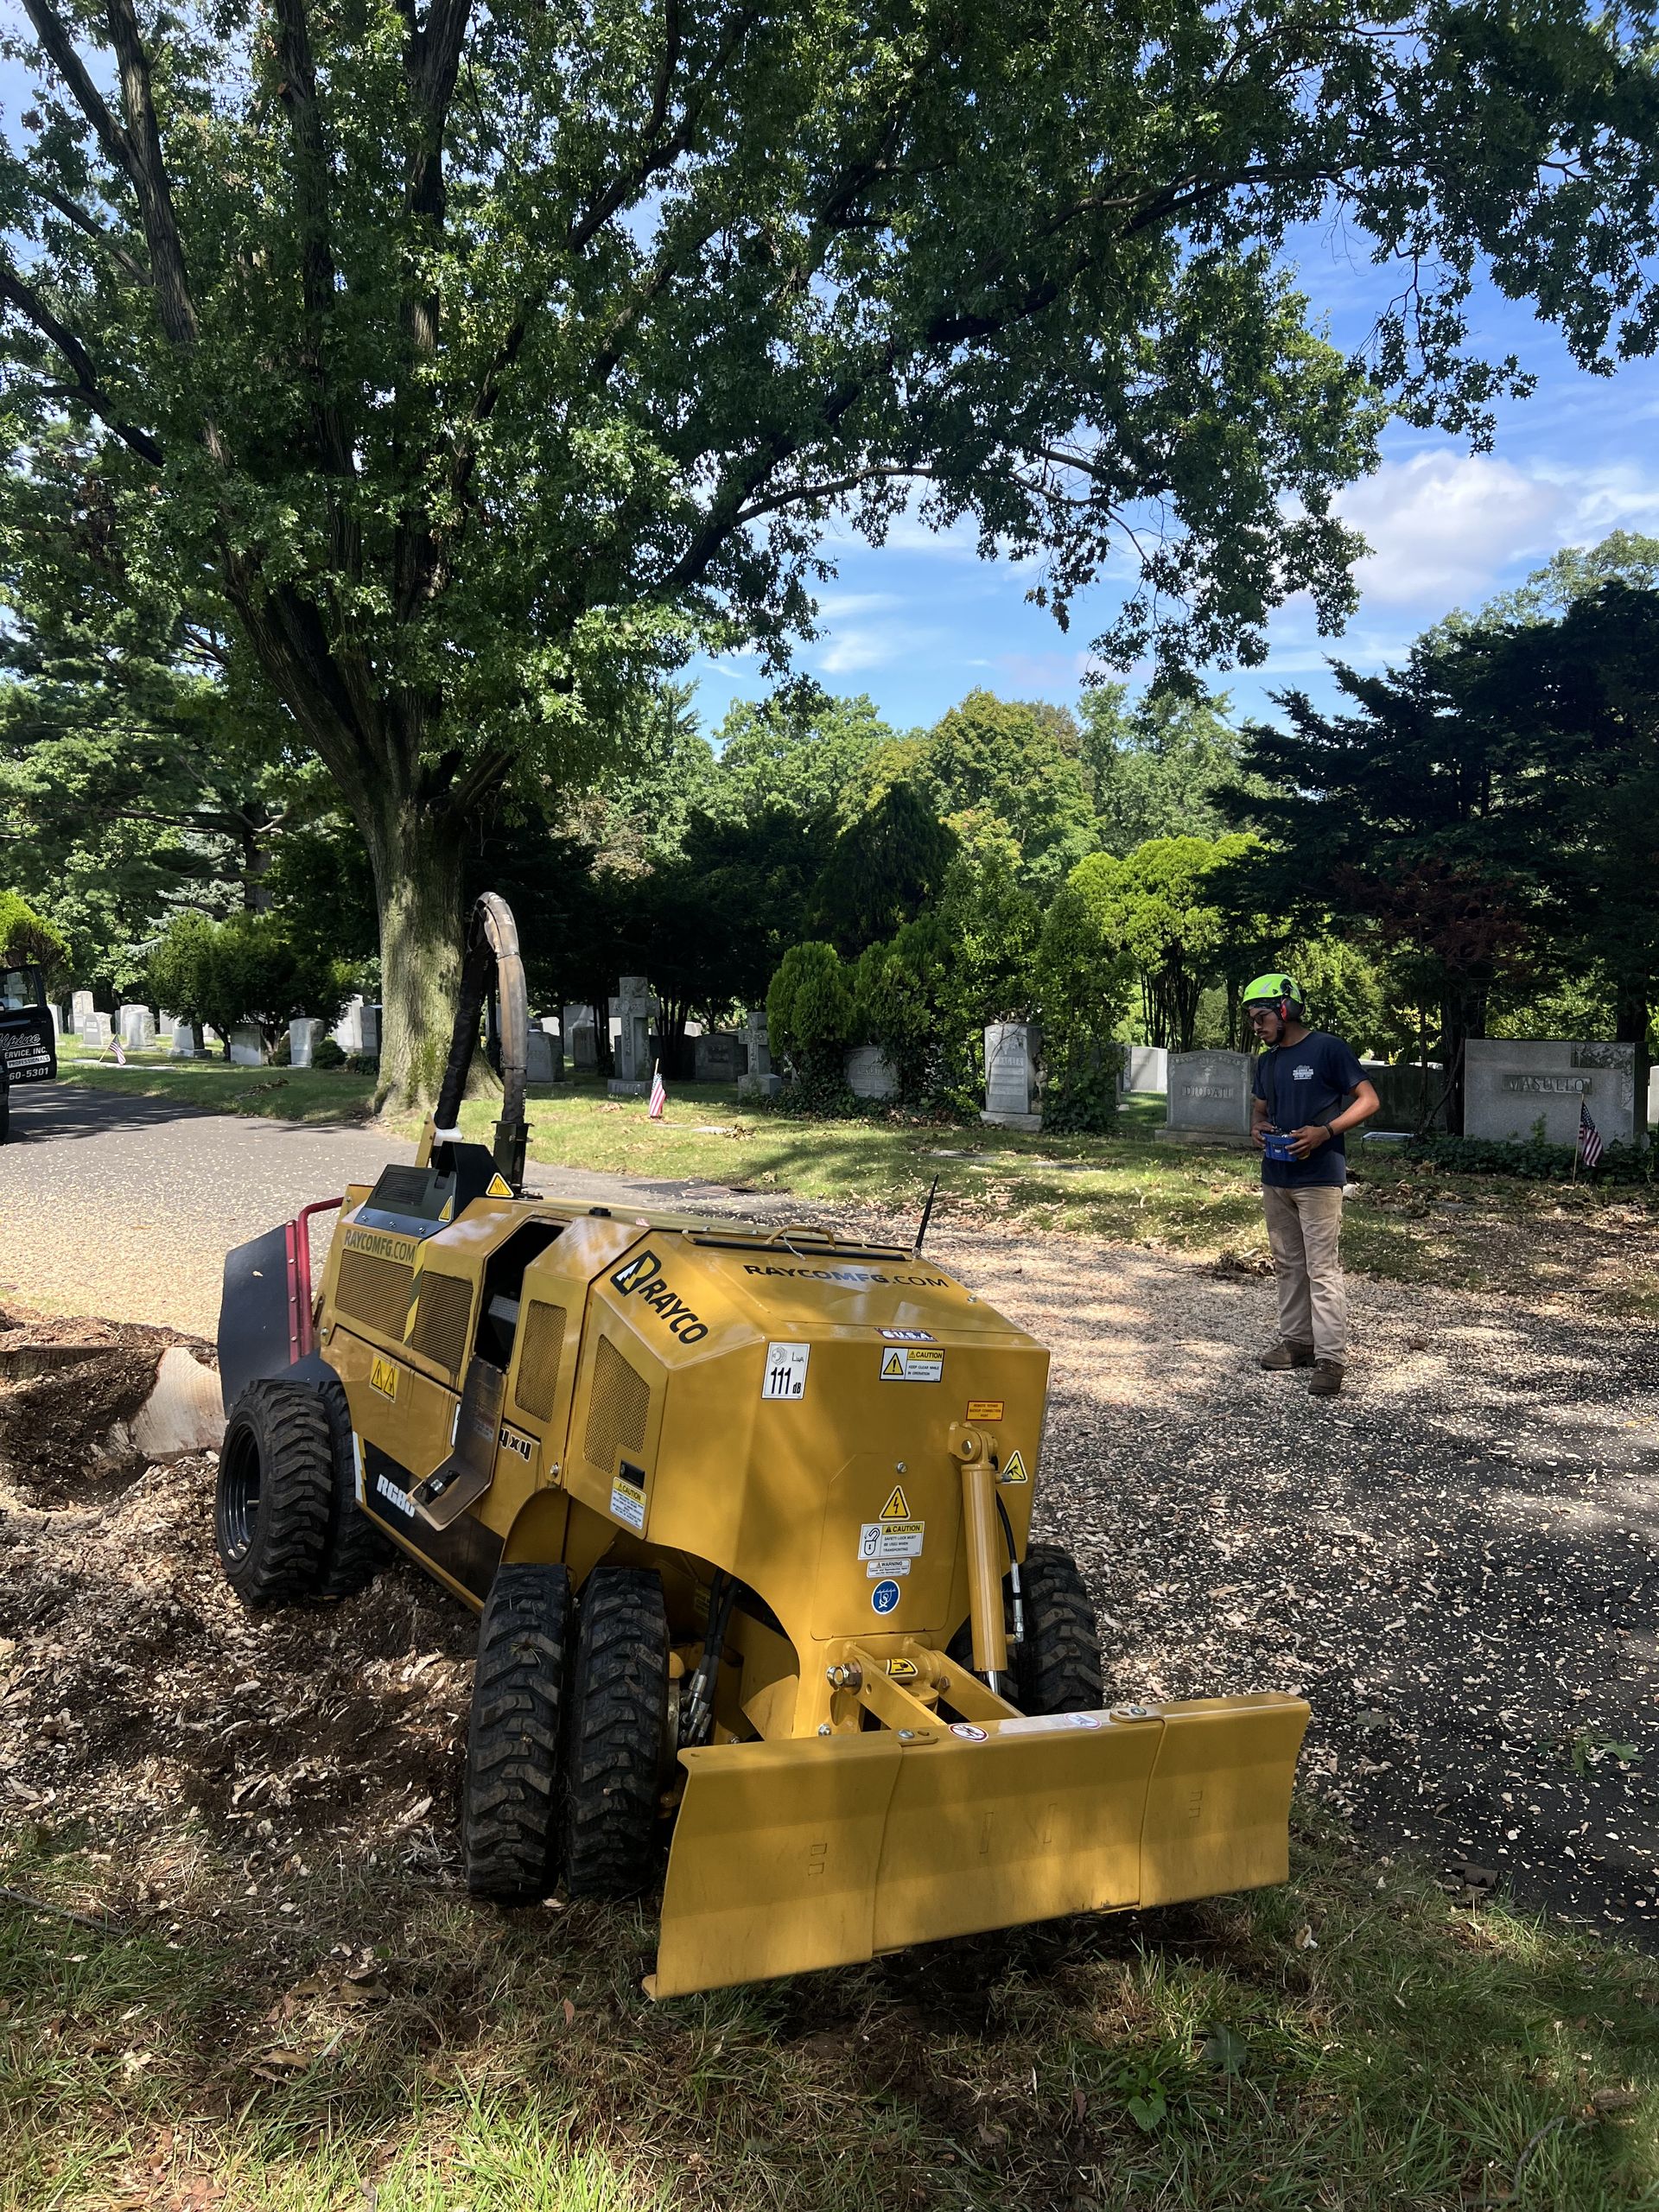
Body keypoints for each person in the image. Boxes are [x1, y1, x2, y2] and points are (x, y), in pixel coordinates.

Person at [1243, 973, 1379, 1397]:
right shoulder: (1268, 1061)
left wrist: (1325, 1131)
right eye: (1252, 1019)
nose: (1257, 1027)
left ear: (1286, 1008)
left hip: (1319, 1179)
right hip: (1277, 1175)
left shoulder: (1329, 1048)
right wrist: (1258, 1128)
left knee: (1322, 1269)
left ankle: (1331, 1359)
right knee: (1288, 1264)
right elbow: (1259, 1109)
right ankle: (1297, 1343)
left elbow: (1369, 1101)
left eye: (1262, 1017)